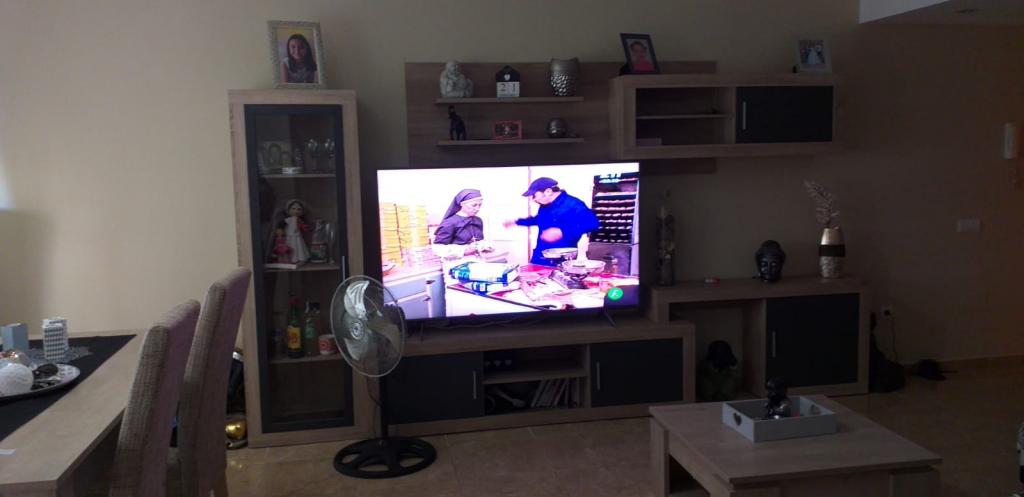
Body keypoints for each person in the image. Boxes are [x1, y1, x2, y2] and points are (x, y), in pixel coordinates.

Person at [505, 177, 599, 266]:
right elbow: (539, 219)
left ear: (548, 192)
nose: (533, 200)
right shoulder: (545, 205)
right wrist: (517, 222)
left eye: (534, 195)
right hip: (540, 254)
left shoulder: (574, 204)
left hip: (562, 258)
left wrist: (562, 231)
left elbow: (592, 224)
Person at [432, 189, 492, 259]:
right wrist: (464, 251)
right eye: (474, 205)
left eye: (480, 205)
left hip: (477, 260)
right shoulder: (449, 223)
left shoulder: (478, 220)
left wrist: (484, 246)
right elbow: (438, 248)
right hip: (457, 262)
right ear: (462, 204)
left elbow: (478, 241)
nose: (477, 208)